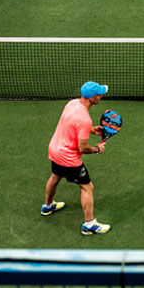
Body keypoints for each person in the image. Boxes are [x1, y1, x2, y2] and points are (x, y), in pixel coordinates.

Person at [42, 81, 112, 235]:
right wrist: (97, 149)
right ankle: (89, 224)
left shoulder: (72, 104)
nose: (101, 96)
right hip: (68, 157)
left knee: (55, 177)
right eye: (99, 94)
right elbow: (83, 148)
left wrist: (92, 129)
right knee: (87, 187)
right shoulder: (84, 119)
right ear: (92, 98)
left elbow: (72, 124)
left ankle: (47, 206)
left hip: (55, 150)